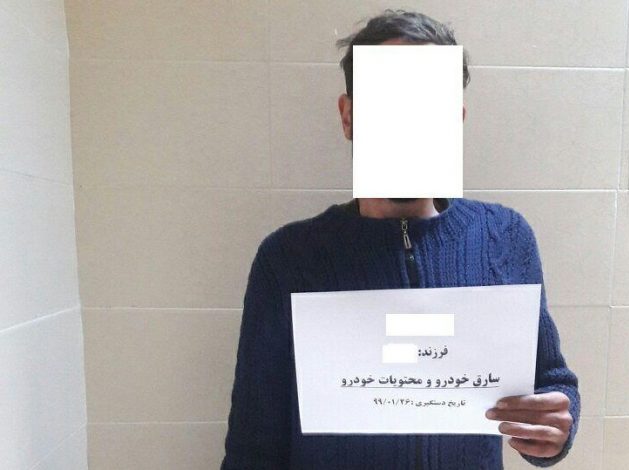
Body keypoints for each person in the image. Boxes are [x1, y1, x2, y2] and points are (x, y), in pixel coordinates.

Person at [221, 9, 579, 469]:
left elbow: (550, 379)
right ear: (349, 116)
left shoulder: (505, 238)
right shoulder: (289, 259)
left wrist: (555, 425)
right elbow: (253, 443)